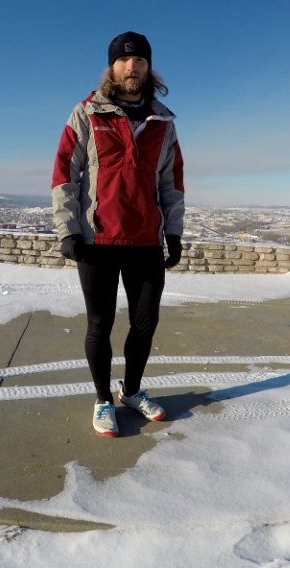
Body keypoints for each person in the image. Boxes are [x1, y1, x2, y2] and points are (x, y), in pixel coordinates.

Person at [51, 31, 185, 436]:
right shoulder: (87, 113)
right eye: (125, 61)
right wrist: (67, 230)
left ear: (148, 68)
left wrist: (174, 233)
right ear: (112, 67)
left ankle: (132, 391)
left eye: (140, 60)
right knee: (100, 323)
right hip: (98, 241)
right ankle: (103, 399)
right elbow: (64, 174)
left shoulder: (163, 122)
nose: (133, 67)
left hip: (145, 240)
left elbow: (172, 182)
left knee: (145, 322)